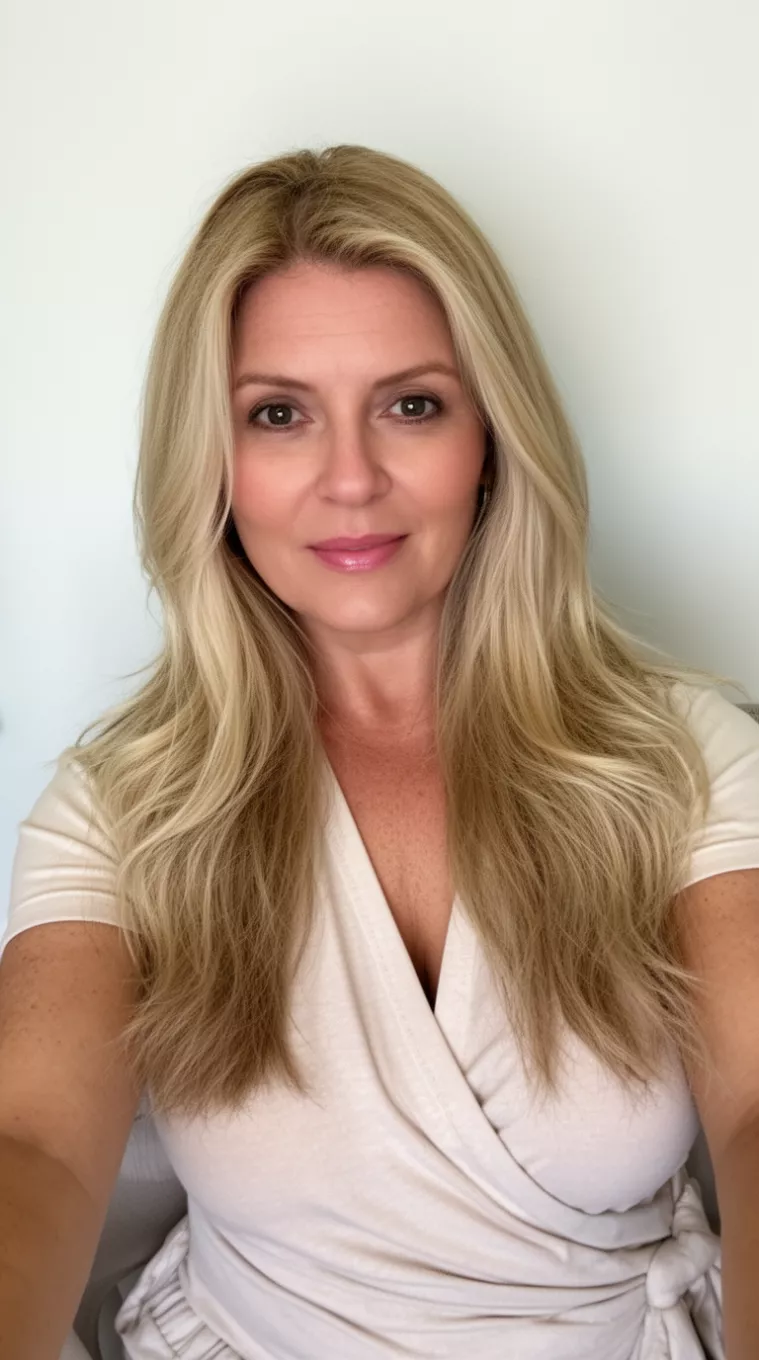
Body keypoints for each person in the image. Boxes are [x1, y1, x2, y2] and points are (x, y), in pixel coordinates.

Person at [1, 144, 758, 1360]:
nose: (350, 480)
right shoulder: (126, 806)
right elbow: (33, 1146)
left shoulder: (679, 758)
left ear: (492, 435)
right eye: (279, 414)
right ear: (213, 459)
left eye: (412, 404)